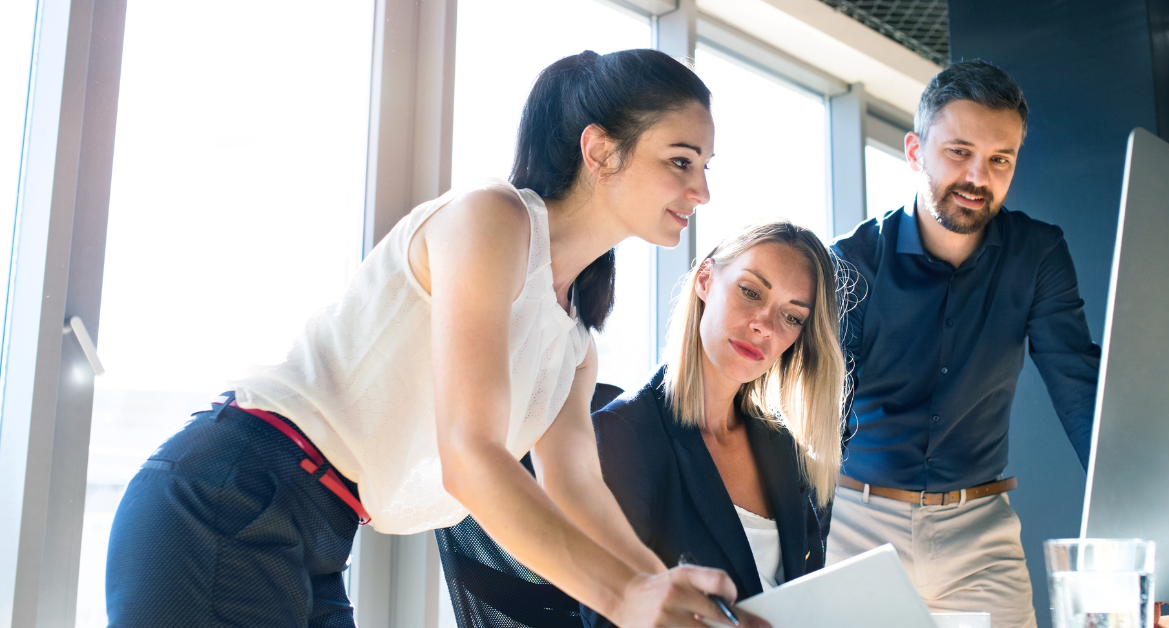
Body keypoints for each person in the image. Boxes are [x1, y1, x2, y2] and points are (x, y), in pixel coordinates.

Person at [104, 49, 765, 628]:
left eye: (706, 166)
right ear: (599, 150)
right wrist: (626, 600)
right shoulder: (493, 220)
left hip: (322, 528)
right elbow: (469, 454)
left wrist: (670, 600)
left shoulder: (573, 343)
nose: (701, 190)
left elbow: (579, 492)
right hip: (232, 490)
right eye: (680, 161)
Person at [826, 60, 1169, 628]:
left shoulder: (1038, 254)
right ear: (916, 150)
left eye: (1000, 160)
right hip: (855, 521)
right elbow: (819, 413)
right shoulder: (851, 261)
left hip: (979, 531)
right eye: (958, 152)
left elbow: (1081, 393)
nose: (978, 177)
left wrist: (1166, 546)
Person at [583, 220, 847, 627]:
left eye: (792, 317)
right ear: (705, 280)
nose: (765, 325)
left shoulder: (782, 446)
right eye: (750, 291)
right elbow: (607, 616)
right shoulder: (624, 434)